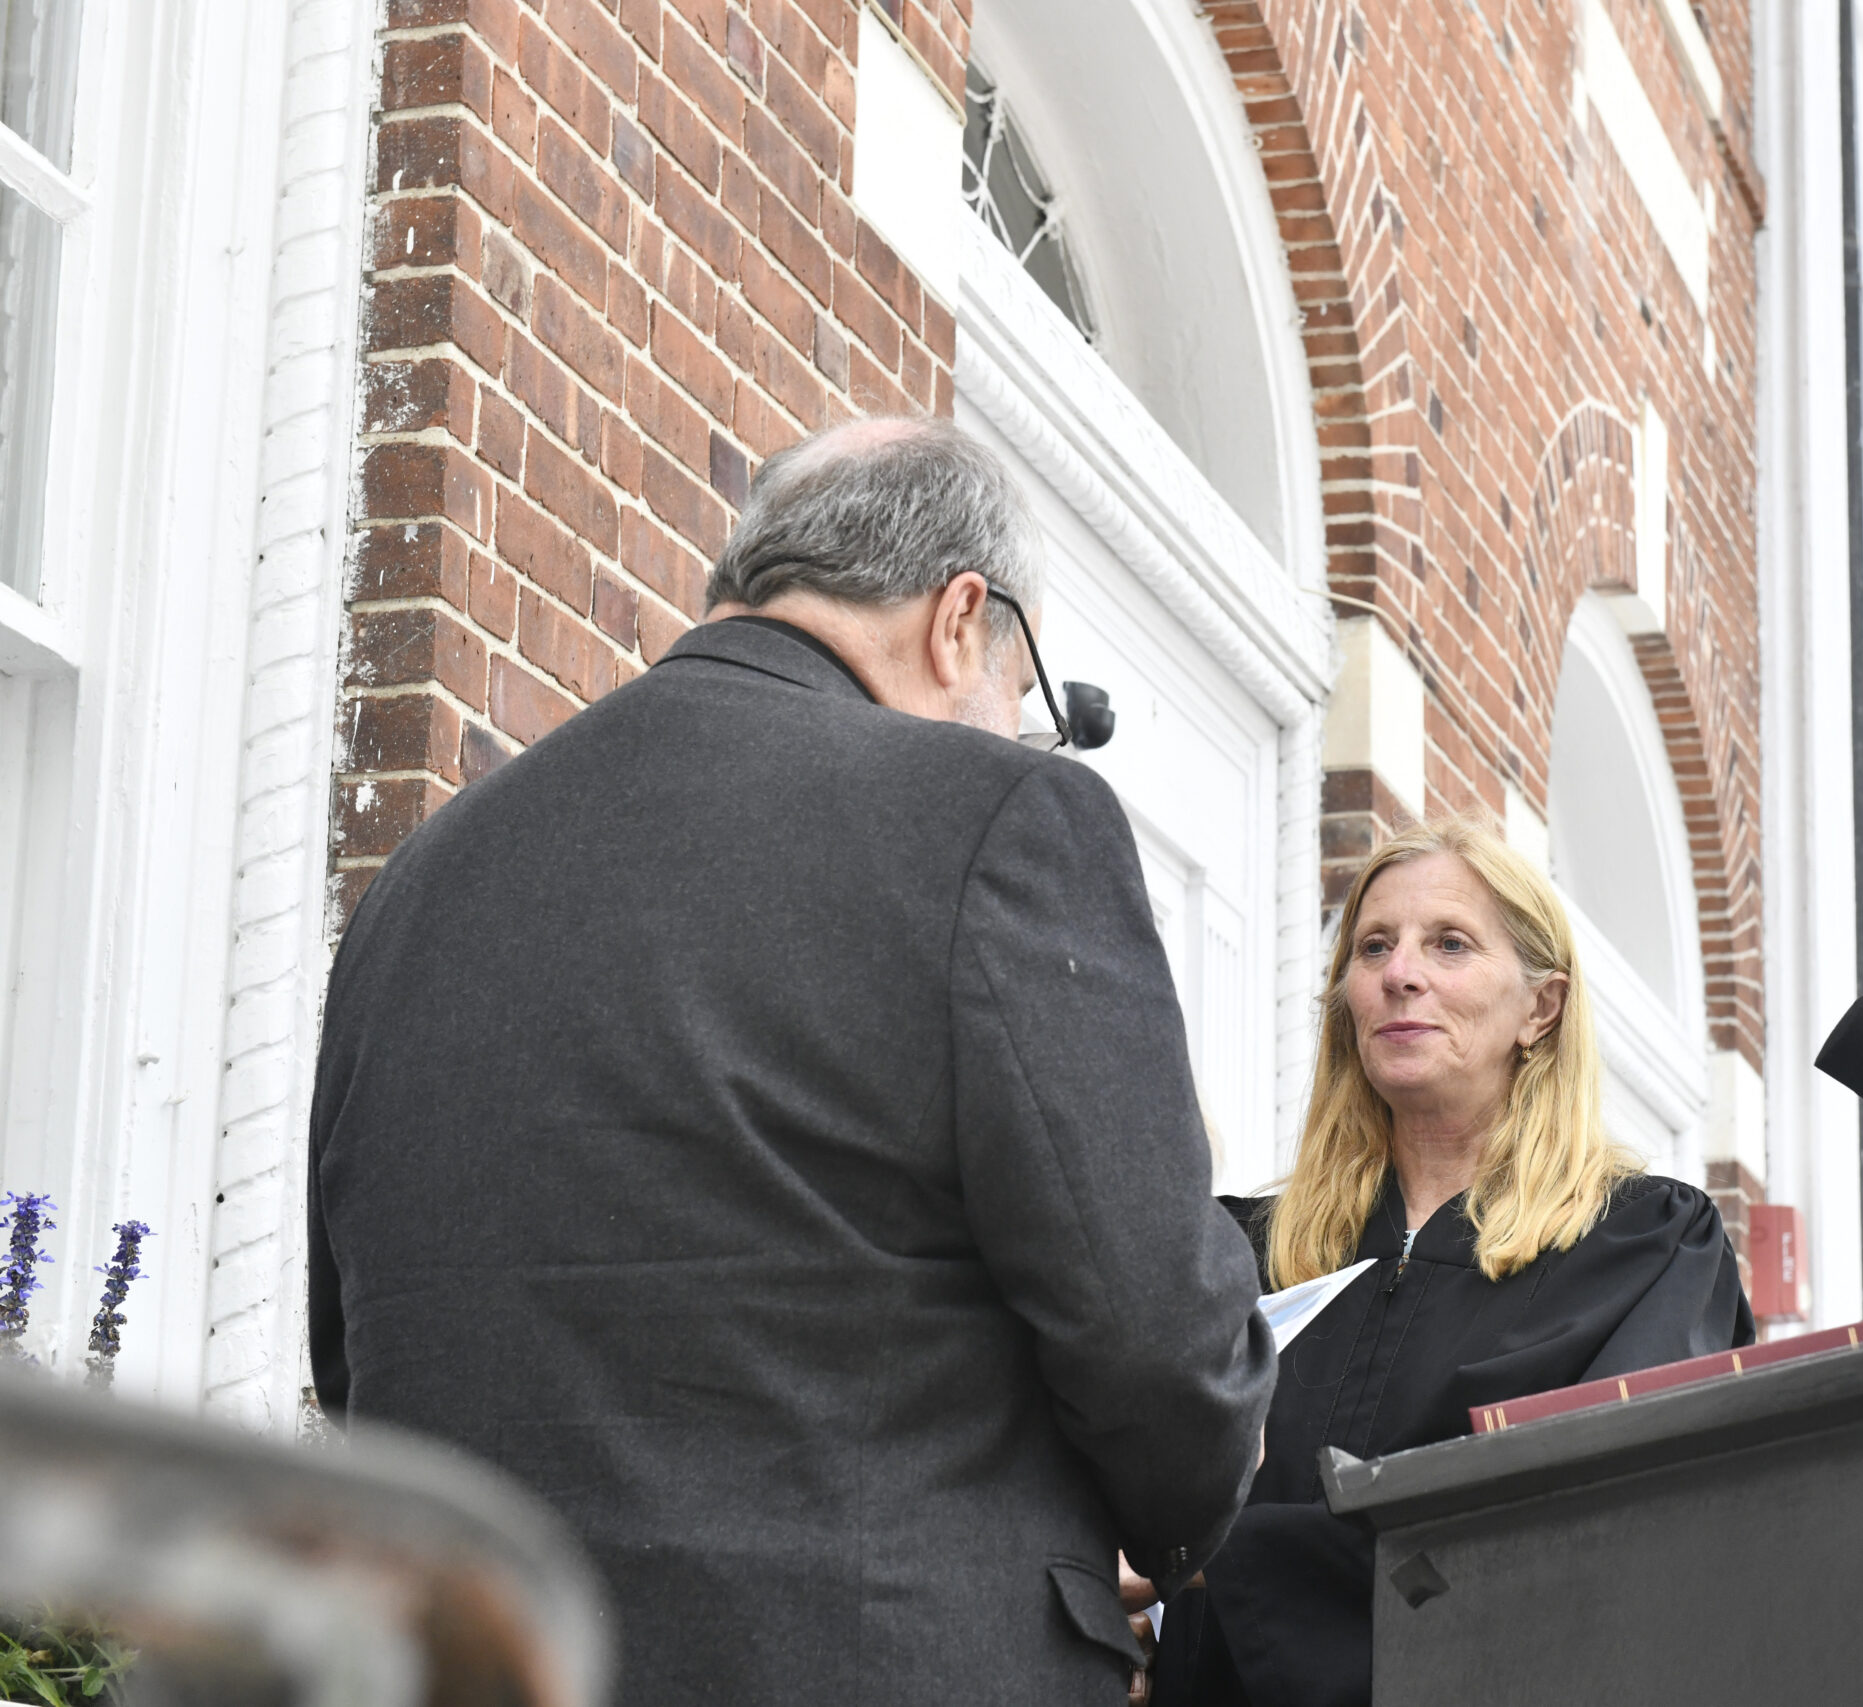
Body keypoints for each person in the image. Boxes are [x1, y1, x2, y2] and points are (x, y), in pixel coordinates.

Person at [306, 418, 1275, 1706]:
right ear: (958, 617)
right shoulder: (997, 820)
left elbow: (349, 1342)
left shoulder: (424, 877)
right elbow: (1158, 1340)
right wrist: (1172, 1522)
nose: (1017, 729)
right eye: (1024, 688)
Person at [1153, 819, 1754, 1707]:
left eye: (1450, 943)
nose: (1400, 973)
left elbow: (1585, 1523)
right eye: (1373, 946)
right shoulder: (1242, 1255)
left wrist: (1227, 1562)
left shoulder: (1645, 1251)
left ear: (1540, 1008)